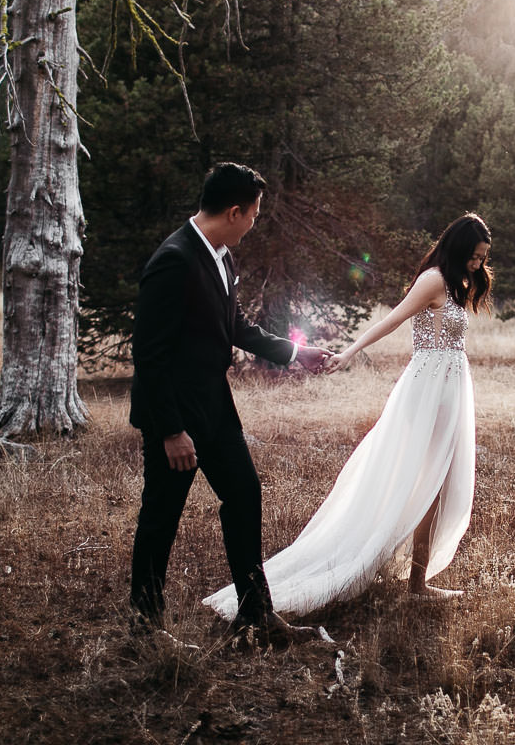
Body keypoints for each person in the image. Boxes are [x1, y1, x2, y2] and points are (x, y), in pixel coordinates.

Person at [203, 213, 491, 619]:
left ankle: (417, 582)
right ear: (460, 248)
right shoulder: (434, 280)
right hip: (429, 389)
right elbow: (391, 320)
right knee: (422, 480)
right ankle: (404, 577)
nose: (479, 265)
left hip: (452, 386)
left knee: (440, 483)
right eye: (475, 256)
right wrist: (349, 353)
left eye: (482, 259)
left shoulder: (460, 282)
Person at [128, 162, 334, 647]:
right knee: (161, 516)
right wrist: (171, 430)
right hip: (174, 414)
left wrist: (294, 352)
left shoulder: (221, 255)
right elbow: (148, 356)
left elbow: (236, 327)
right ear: (235, 211)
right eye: (255, 215)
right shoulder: (173, 259)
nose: (255, 223)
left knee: (243, 494)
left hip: (215, 407)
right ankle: (144, 629)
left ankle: (257, 616)